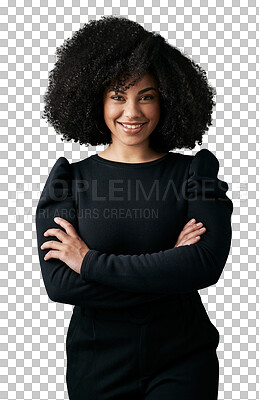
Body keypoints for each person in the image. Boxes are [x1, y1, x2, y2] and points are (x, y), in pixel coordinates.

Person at [35, 16, 233, 400]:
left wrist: (90, 262)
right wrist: (170, 267)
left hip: (182, 356)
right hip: (97, 361)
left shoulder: (195, 172)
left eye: (146, 96)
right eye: (118, 96)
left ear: (167, 99)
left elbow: (205, 265)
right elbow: (60, 285)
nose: (133, 112)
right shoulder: (68, 181)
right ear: (97, 99)